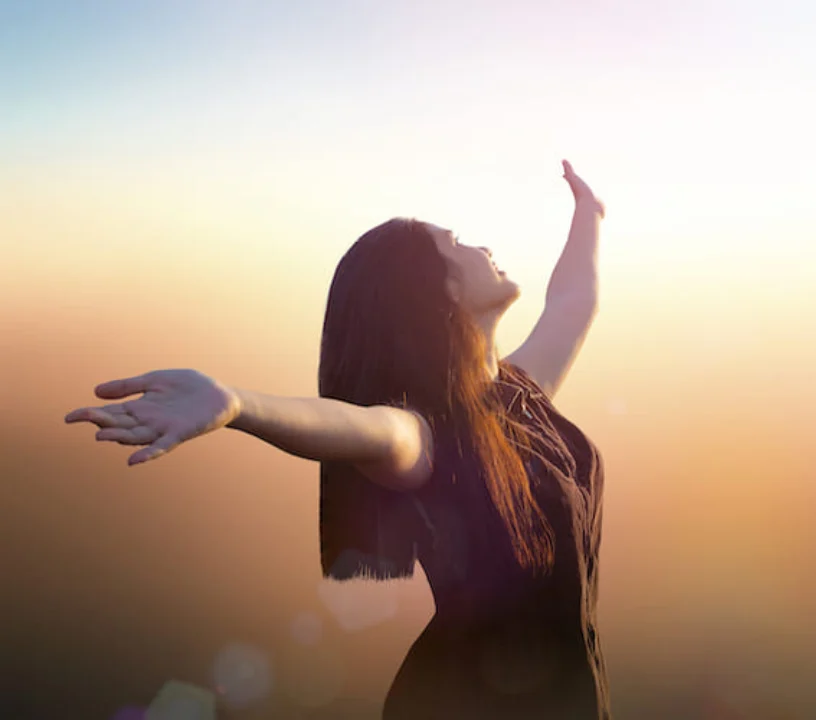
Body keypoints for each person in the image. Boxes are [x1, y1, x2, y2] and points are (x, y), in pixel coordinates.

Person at [64, 161, 610, 719]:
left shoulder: (523, 394)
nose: (481, 247)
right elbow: (361, 428)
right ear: (438, 290)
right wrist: (238, 404)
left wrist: (589, 214)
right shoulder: (427, 433)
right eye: (457, 243)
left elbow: (573, 302)